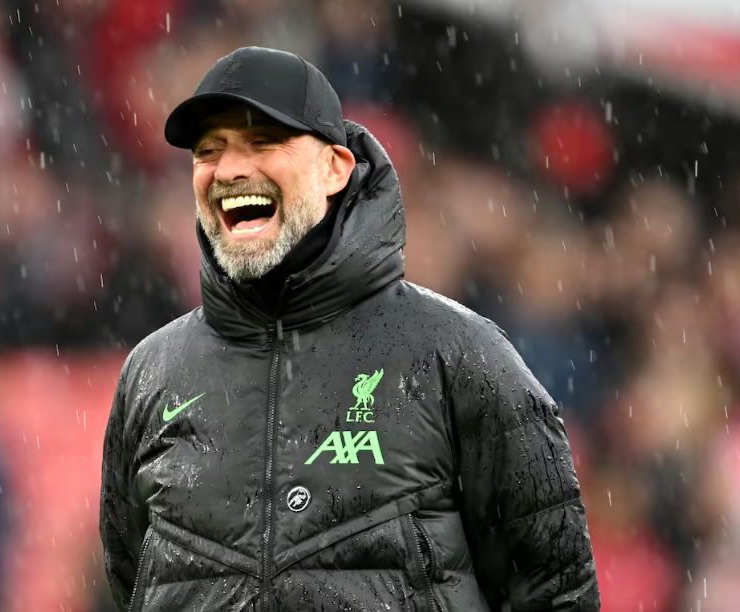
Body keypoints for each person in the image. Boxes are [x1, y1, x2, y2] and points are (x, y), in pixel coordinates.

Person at [100, 46, 600, 612]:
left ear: (334, 169)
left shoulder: (460, 355)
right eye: (208, 151)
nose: (229, 170)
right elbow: (130, 578)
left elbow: (557, 590)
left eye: (263, 142)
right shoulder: (151, 373)